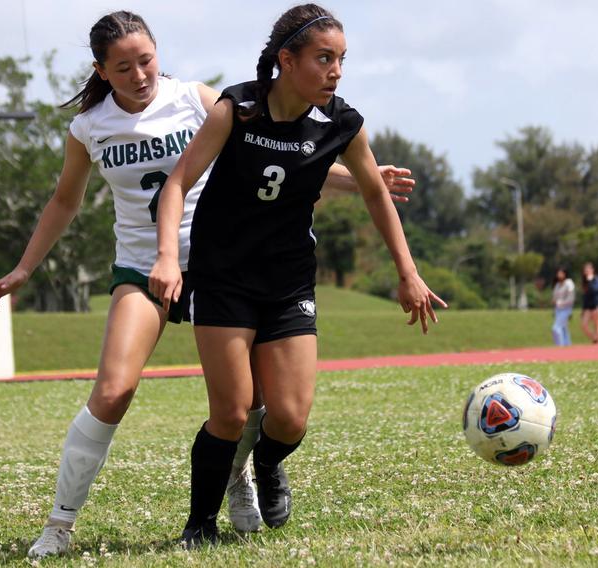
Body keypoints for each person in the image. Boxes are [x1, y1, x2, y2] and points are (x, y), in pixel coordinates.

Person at [0, 10, 416, 559]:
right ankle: (60, 525)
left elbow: (274, 146)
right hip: (146, 267)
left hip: (221, 261)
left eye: (146, 60)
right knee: (113, 391)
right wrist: (22, 269)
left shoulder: (193, 98)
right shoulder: (89, 127)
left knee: (254, 405)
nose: (139, 75)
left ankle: (238, 479)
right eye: (123, 67)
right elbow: (64, 202)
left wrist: (361, 180)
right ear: (101, 70)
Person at [149, 3, 446, 548]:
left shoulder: (342, 123)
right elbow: (176, 185)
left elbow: (375, 193)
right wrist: (168, 256)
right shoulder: (236, 109)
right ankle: (199, 527)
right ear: (286, 60)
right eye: (324, 58)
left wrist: (408, 273)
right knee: (233, 411)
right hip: (223, 277)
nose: (336, 70)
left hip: (288, 284)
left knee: (288, 419)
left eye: (342, 60)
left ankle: (268, 464)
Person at [580, 262, 598, 344]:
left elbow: (595, 290)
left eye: (588, 269)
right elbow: (585, 296)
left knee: (597, 325)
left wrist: (590, 280)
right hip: (588, 307)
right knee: (584, 325)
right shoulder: (585, 281)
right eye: (585, 270)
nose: (586, 271)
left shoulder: (596, 279)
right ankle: (595, 338)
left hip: (597, 306)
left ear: (592, 270)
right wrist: (583, 309)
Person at [551, 267, 575, 346]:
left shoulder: (569, 283)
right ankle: (567, 345)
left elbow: (571, 298)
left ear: (565, 274)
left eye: (561, 273)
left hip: (566, 309)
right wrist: (555, 307)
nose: (559, 275)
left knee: (556, 328)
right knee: (564, 328)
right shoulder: (557, 284)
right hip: (558, 310)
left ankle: (560, 346)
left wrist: (560, 303)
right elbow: (555, 297)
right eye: (558, 273)